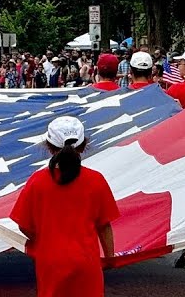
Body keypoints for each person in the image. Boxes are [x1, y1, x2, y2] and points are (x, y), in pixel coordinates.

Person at [10, 116, 118, 297]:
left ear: (49, 147)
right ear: (83, 146)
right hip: (87, 261)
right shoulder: (96, 180)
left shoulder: (37, 181)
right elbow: (104, 225)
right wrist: (110, 257)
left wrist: (44, 240)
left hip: (50, 262)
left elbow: (24, 225)